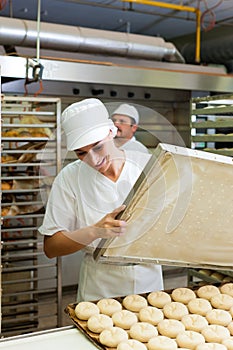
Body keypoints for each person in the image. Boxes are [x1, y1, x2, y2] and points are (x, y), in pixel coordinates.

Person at [39, 98, 163, 302]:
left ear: (112, 132)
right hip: (100, 286)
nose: (93, 161)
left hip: (148, 282)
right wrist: (94, 231)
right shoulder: (69, 178)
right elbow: (51, 247)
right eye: (81, 153)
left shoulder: (148, 166)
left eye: (98, 147)